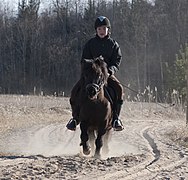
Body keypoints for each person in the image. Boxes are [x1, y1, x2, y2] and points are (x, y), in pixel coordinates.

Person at [66, 16, 124, 131]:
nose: (101, 31)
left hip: (107, 75)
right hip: (91, 76)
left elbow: (117, 60)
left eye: (104, 28)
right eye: (99, 29)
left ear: (108, 29)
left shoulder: (113, 45)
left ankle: (116, 118)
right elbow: (84, 60)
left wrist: (110, 70)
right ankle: (75, 118)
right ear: (96, 30)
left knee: (119, 89)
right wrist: (89, 69)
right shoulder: (90, 44)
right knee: (74, 91)